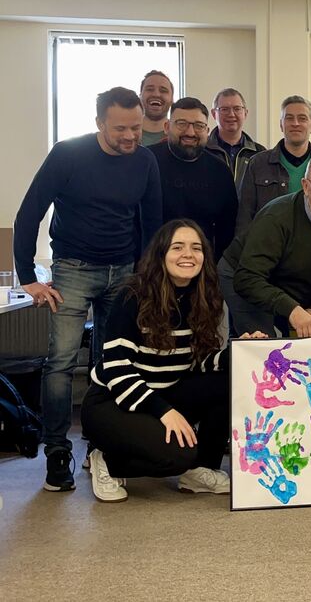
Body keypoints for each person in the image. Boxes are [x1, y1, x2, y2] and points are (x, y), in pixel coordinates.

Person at [13, 86, 162, 492]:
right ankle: (58, 450)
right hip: (73, 270)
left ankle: (100, 443)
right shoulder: (67, 154)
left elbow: (152, 223)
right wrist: (27, 275)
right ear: (99, 123)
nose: (130, 136)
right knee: (60, 360)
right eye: (120, 129)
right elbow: (30, 211)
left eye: (135, 128)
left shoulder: (145, 160)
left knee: (111, 363)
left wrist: (147, 278)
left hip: (125, 271)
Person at [81, 220, 243, 502]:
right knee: (177, 456)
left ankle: (199, 469)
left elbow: (199, 362)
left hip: (163, 391)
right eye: (177, 247)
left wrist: (241, 352)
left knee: (229, 377)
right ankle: (107, 458)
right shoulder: (131, 296)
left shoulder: (204, 297)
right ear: (161, 254)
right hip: (111, 402)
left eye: (196, 248)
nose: (188, 255)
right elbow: (119, 372)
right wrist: (165, 411)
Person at [223, 153, 311, 338]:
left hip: (295, 279)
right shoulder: (276, 218)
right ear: (305, 186)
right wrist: (292, 310)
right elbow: (247, 278)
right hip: (244, 275)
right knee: (265, 346)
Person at [149, 97, 238, 260]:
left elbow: (227, 231)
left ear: (207, 130)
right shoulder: (147, 161)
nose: (190, 132)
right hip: (151, 264)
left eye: (198, 126)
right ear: (167, 127)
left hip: (200, 266)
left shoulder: (220, 171)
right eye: (182, 124)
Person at [235, 95, 311, 236]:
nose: (295, 123)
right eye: (289, 118)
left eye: (302, 118)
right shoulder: (257, 164)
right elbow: (245, 217)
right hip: (268, 246)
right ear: (281, 124)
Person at [206, 88, 265, 190]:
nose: (231, 114)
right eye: (224, 109)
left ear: (245, 113)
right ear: (214, 114)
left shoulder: (260, 153)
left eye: (237, 109)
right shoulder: (202, 150)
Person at [139, 70, 174, 146]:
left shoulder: (179, 137)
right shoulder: (123, 135)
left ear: (172, 99)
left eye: (163, 91)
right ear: (140, 96)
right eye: (150, 89)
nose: (156, 94)